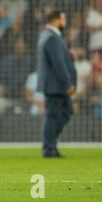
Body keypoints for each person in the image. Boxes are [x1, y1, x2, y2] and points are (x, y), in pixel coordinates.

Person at [36, 11, 76, 158]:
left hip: (55, 85)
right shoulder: (52, 38)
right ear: (57, 20)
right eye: (63, 19)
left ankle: (51, 144)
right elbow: (58, 63)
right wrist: (68, 83)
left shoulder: (48, 36)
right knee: (53, 116)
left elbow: (60, 59)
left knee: (65, 113)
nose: (64, 23)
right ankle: (49, 148)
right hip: (56, 85)